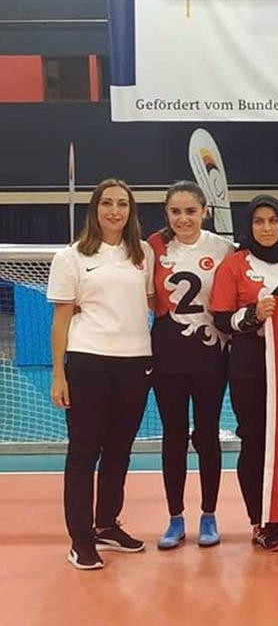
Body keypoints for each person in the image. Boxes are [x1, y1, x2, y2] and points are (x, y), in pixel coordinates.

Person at [47, 179, 154, 570]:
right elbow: (61, 320)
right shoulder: (70, 257)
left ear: (131, 211)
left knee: (119, 449)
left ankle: (106, 524)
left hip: (135, 363)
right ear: (95, 209)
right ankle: (81, 540)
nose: (115, 211)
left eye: (122, 204)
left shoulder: (143, 253)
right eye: (107, 203)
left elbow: (151, 301)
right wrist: (58, 374)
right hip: (88, 361)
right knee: (83, 452)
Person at [209, 195, 278, 551]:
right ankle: (260, 521)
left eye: (272, 221)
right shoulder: (234, 265)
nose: (266, 228)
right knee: (255, 441)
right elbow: (221, 318)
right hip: (249, 364)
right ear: (249, 226)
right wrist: (253, 315)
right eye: (259, 221)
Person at [148, 181, 234, 550]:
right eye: (175, 212)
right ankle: (175, 517)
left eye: (190, 211)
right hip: (166, 354)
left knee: (207, 434)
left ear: (205, 212)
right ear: (166, 213)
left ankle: (209, 514)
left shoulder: (223, 249)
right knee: (173, 435)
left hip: (211, 355)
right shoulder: (153, 246)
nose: (183, 219)